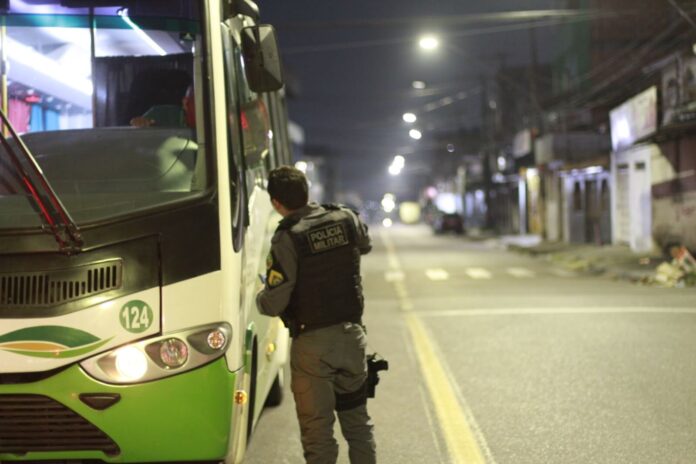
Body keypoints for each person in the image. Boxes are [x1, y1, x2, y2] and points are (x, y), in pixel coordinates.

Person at [256, 166, 376, 464]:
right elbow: (365, 244)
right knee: (358, 425)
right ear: (308, 191)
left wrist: (260, 297)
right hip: (352, 337)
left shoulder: (287, 237)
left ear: (276, 203)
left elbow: (274, 303)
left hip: (312, 347)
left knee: (318, 431)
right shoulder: (345, 217)